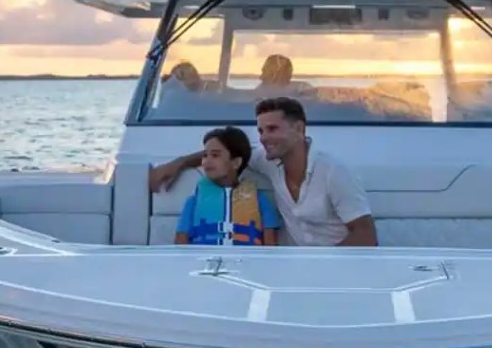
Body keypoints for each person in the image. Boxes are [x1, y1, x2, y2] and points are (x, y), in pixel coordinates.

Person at [151, 97, 377, 247]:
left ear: (299, 129)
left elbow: (366, 236)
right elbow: (229, 152)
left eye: (272, 129)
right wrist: (177, 164)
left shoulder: (334, 172)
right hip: (291, 267)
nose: (263, 138)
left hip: (338, 267)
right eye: (260, 130)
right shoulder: (268, 159)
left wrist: (322, 266)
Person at [174, 126, 282, 246]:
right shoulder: (193, 201)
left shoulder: (260, 201)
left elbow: (270, 246)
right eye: (205, 155)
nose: (206, 161)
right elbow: (180, 244)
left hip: (247, 263)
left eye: (215, 155)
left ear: (236, 162)